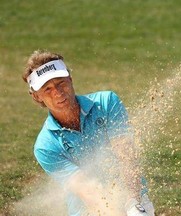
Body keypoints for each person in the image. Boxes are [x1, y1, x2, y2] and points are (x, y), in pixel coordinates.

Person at [22, 50, 155, 216]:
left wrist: (133, 203)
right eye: (47, 89)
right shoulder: (45, 146)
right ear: (36, 97)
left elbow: (126, 155)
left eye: (61, 83)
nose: (58, 92)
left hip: (135, 201)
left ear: (70, 79)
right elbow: (87, 189)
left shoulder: (106, 103)